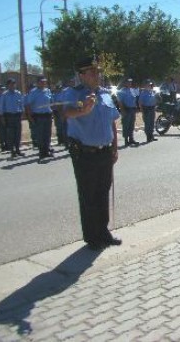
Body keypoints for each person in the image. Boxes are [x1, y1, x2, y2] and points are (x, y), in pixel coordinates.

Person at [64, 57, 122, 251]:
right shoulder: (73, 94)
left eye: (98, 71)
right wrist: (83, 108)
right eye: (92, 72)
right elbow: (67, 113)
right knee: (88, 195)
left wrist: (115, 147)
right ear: (81, 75)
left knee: (103, 192)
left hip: (104, 151)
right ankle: (92, 237)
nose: (97, 75)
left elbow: (112, 122)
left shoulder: (105, 95)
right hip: (84, 153)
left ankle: (103, 231)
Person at [25, 76, 53, 162]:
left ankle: (47, 150)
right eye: (41, 82)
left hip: (47, 115)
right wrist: (30, 118)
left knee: (47, 134)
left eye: (44, 82)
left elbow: (51, 102)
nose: (43, 83)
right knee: (40, 135)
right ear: (37, 83)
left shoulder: (47, 91)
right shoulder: (33, 92)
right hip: (39, 116)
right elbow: (28, 105)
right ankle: (42, 152)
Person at [0, 78, 25, 158]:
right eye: (11, 84)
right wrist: (2, 117)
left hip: (17, 115)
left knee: (18, 133)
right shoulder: (4, 94)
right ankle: (12, 151)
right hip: (9, 116)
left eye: (14, 84)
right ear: (8, 85)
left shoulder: (18, 93)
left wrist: (22, 113)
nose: (13, 85)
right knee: (10, 134)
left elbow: (21, 104)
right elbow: (1, 107)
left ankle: (17, 149)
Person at [117, 78, 139, 146]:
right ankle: (126, 140)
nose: (129, 83)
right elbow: (120, 102)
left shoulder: (132, 90)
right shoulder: (121, 91)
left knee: (131, 125)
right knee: (126, 125)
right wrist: (122, 110)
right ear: (124, 83)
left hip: (132, 109)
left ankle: (131, 139)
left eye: (130, 82)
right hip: (126, 109)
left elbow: (135, 98)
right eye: (128, 82)